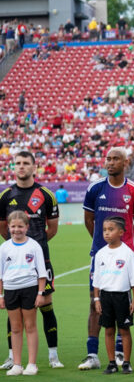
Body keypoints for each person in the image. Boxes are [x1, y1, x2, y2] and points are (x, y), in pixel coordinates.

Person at [80, 147, 134, 370]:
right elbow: (89, 220)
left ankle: (119, 353)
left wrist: (120, 246)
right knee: (94, 302)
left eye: (115, 159)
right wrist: (105, 247)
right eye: (108, 158)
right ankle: (92, 354)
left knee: (123, 303)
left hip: (125, 257)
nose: (110, 162)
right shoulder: (95, 188)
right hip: (100, 255)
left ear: (125, 162)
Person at [0, 151, 63, 369]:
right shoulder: (6, 196)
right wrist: (16, 248)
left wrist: (34, 248)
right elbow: (2, 228)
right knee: (13, 307)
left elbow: (52, 229)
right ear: (13, 167)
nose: (21, 167)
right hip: (14, 263)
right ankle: (12, 357)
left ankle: (53, 355)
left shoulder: (46, 194)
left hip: (40, 261)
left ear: (34, 167)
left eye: (26, 163)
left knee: (45, 304)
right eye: (17, 163)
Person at [0, 211, 47, 376]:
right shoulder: (4, 247)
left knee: (30, 326)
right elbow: (0, 275)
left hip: (29, 289)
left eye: (20, 226)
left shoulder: (34, 246)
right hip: (10, 290)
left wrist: (40, 293)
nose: (16, 230)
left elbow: (42, 274)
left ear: (27, 227)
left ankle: (32, 364)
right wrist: (1, 296)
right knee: (16, 328)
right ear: (8, 227)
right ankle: (17, 364)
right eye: (13, 226)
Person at [92, 217, 134, 374]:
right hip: (105, 297)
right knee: (108, 330)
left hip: (122, 297)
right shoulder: (100, 254)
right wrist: (97, 299)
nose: (106, 233)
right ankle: (111, 363)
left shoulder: (127, 253)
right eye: (104, 230)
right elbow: (97, 279)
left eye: (110, 229)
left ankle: (126, 362)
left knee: (124, 330)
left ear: (121, 232)